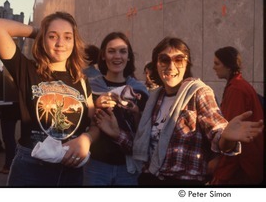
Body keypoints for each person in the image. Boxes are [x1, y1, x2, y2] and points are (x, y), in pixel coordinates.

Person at [133, 37, 264, 186]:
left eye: (178, 60)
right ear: (156, 63)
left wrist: (227, 138)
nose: (171, 66)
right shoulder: (155, 98)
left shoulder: (198, 92)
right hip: (150, 180)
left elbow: (218, 132)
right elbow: (143, 142)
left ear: (186, 63)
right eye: (164, 59)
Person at [0, 11, 99, 186]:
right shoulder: (26, 69)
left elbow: (95, 123)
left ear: (74, 42)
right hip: (30, 168)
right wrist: (39, 32)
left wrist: (87, 139)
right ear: (43, 40)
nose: (60, 43)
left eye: (68, 37)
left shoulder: (82, 80)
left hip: (70, 169)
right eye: (53, 36)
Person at [83, 32, 149, 186]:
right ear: (103, 56)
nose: (117, 56)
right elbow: (80, 123)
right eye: (111, 51)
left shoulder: (139, 91)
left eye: (122, 51)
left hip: (128, 167)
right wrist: (94, 106)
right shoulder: (89, 87)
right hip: (95, 164)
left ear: (129, 56)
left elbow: (145, 132)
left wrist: (135, 114)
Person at [209, 46, 264, 185]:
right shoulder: (237, 85)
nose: (213, 67)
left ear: (228, 66)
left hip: (241, 169)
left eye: (217, 63)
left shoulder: (237, 90)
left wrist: (221, 176)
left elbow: (232, 136)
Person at [0, 102, 21, 174]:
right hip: (14, 109)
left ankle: (10, 165)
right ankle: (11, 164)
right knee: (9, 139)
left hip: (8, 111)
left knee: (8, 139)